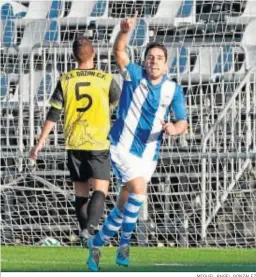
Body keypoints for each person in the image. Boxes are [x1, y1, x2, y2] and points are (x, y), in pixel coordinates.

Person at [86, 12, 188, 272]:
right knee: (139, 192)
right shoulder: (133, 75)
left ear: (166, 66)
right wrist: (124, 32)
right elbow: (119, 51)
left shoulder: (173, 90)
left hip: (149, 153)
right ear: (145, 61)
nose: (154, 62)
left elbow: (182, 122)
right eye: (150, 57)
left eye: (159, 59)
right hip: (122, 146)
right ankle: (124, 244)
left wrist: (173, 130)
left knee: (123, 206)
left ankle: (96, 244)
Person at [30, 36, 121, 245]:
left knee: (81, 193)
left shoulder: (66, 80)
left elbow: (53, 114)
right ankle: (89, 231)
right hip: (98, 141)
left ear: (73, 56)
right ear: (94, 53)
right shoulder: (106, 79)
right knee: (100, 190)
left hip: (74, 142)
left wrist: (40, 142)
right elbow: (120, 107)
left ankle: (84, 235)